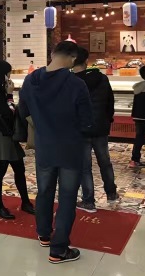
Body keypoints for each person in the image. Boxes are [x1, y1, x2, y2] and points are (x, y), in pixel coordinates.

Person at [19, 41, 92, 264]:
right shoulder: (76, 84)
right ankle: (59, 249)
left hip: (44, 146)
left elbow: (23, 110)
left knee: (44, 191)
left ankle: (43, 234)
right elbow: (87, 121)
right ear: (73, 58)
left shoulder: (31, 80)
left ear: (52, 54)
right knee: (67, 197)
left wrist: (41, 126)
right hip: (70, 148)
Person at [0, 60, 35, 220]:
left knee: (19, 170)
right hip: (1, 137)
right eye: (8, 73)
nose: (9, 76)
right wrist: (10, 95)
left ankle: (25, 202)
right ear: (2, 74)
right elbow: (8, 113)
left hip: (7, 137)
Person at [72, 48, 118, 213]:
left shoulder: (72, 81)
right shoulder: (102, 78)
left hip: (81, 129)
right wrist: (108, 119)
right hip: (101, 127)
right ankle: (111, 193)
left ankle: (89, 201)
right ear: (86, 61)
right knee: (105, 162)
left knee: (85, 167)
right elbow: (110, 102)